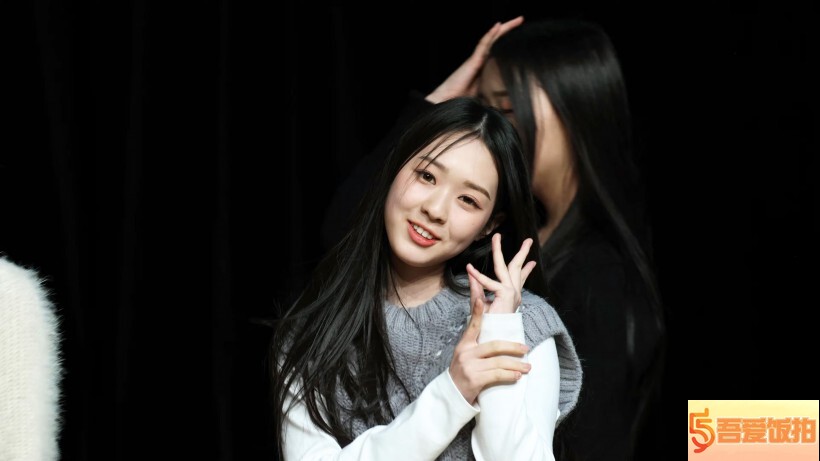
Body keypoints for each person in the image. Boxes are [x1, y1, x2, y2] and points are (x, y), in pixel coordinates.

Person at [322, 16, 667, 460]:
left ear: (574, 108)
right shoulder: (494, 240)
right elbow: (348, 232)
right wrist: (439, 106)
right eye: (480, 104)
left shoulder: (595, 273)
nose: (487, 126)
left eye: (504, 108)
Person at [270, 97, 582, 460]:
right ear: (395, 167)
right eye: (427, 176)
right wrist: (451, 394)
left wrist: (499, 333)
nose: (435, 209)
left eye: (468, 200)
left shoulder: (520, 324)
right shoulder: (311, 334)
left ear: (488, 226)